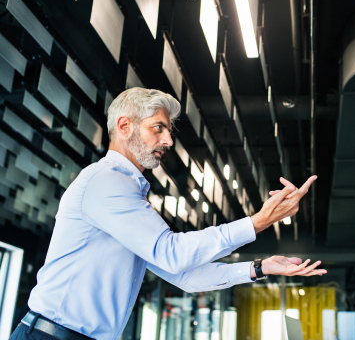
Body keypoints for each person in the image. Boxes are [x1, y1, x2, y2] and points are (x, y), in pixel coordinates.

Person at [10, 88, 324, 340]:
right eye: (158, 128)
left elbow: (184, 275)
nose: (168, 140)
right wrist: (259, 221)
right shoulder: (106, 182)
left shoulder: (127, 193)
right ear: (125, 126)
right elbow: (171, 253)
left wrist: (259, 267)